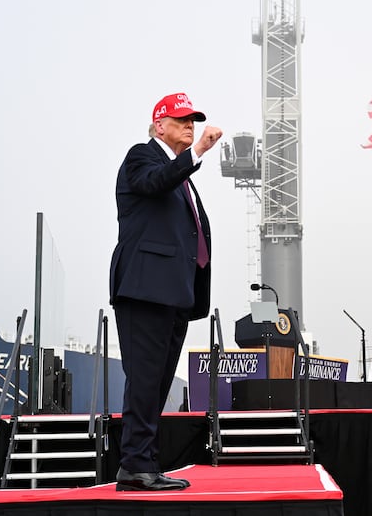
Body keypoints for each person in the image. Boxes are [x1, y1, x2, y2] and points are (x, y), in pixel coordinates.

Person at [109, 92, 222, 492]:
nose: (190, 125)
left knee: (156, 382)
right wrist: (196, 155)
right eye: (180, 119)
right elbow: (155, 183)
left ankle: (143, 464)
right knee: (144, 379)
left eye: (193, 120)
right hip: (145, 290)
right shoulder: (142, 156)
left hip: (173, 294)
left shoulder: (178, 173)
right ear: (160, 125)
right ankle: (136, 465)